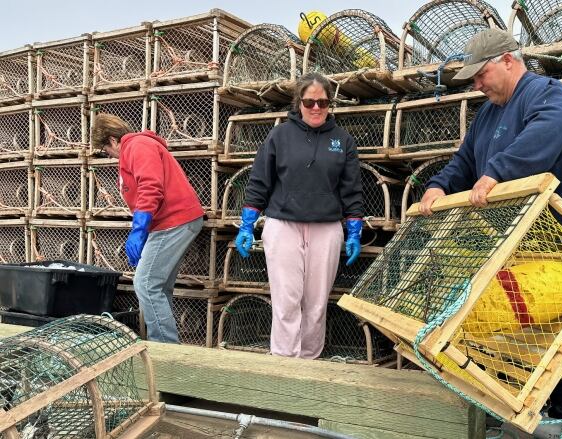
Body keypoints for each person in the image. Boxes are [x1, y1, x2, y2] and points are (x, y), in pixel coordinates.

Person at [418, 29, 562, 419]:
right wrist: (437, 186)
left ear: (507, 59)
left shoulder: (547, 92)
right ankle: (520, 401)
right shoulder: (487, 113)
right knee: (517, 317)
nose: (478, 85)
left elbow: (549, 130)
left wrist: (498, 171)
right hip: (516, 230)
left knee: (558, 320)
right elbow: (465, 161)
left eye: (481, 74)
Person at [235, 72, 363, 359]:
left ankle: (309, 361)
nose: (316, 108)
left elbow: (352, 190)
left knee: (316, 303)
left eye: (322, 102)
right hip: (284, 224)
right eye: (309, 102)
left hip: (326, 227)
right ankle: (284, 364)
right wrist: (247, 224)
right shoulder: (279, 135)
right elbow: (259, 181)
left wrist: (354, 230)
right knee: (286, 300)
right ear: (298, 103)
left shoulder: (343, 140)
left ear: (330, 104)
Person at [91, 114, 205, 344]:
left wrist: (140, 228)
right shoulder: (136, 148)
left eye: (105, 150)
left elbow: (151, 186)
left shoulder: (137, 146)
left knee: (145, 283)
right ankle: (167, 345)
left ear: (113, 141)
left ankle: (164, 348)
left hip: (174, 221)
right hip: (171, 222)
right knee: (158, 287)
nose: (108, 156)